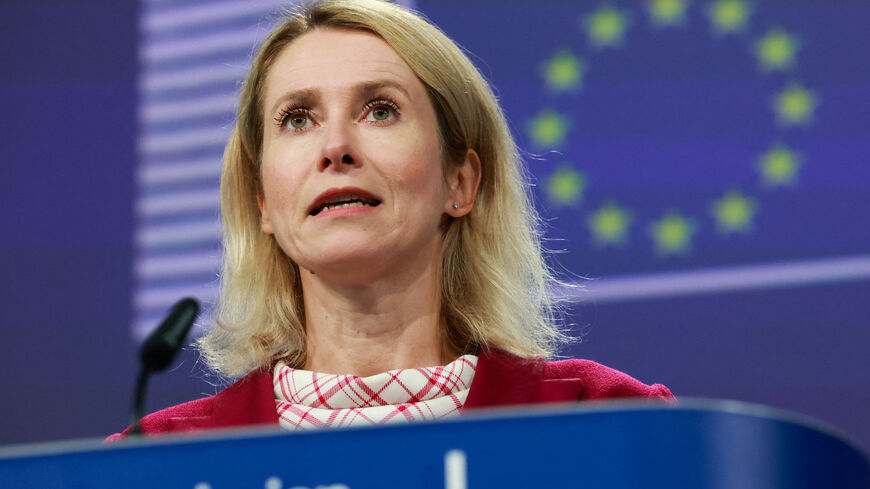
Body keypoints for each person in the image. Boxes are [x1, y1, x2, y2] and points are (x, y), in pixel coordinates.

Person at [111, 0, 672, 438]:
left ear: (461, 182)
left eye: (380, 110)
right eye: (297, 119)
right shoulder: (156, 462)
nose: (334, 147)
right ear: (262, 202)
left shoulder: (608, 423)